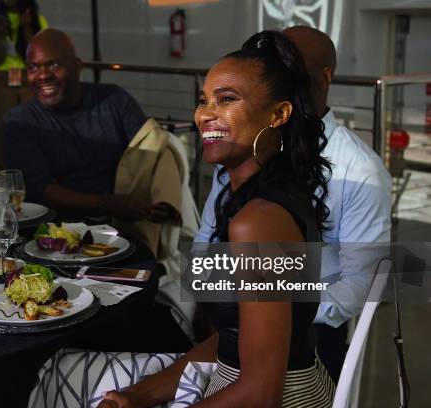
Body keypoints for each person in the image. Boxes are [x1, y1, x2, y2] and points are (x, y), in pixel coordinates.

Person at [29, 30, 335, 407]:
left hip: (280, 398)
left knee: (53, 375)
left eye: (227, 100)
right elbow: (232, 339)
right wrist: (135, 396)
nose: (204, 115)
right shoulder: (256, 197)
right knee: (62, 369)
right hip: (237, 380)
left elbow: (261, 393)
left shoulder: (259, 221)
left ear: (279, 114)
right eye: (204, 100)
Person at [196, 25, 392, 383]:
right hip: (228, 320)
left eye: (287, 67)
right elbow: (206, 241)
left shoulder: (359, 168)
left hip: (310, 338)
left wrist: (278, 309)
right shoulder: (240, 151)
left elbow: (360, 283)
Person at [3, 28, 162, 221]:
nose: (42, 75)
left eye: (53, 64)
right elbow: (38, 190)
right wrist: (107, 204)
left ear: (77, 66)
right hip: (55, 233)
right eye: (33, 67)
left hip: (124, 226)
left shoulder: (114, 100)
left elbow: (153, 155)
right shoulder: (20, 121)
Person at [0, 0, 48, 168]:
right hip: (2, 80)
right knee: (2, 132)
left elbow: (35, 56)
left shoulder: (37, 19)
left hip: (30, 80)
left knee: (32, 130)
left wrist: (26, 27)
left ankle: (33, 179)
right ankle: (6, 181)